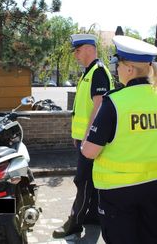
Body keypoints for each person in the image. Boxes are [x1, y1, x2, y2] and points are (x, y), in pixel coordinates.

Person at [81, 35, 157, 244]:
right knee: (150, 237)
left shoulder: (114, 102)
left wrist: (84, 140)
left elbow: (90, 152)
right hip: (156, 184)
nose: (115, 69)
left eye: (117, 64)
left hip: (118, 190)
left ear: (129, 69)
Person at [53, 33, 114, 239]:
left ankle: (74, 223)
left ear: (89, 48)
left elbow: (98, 109)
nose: (76, 55)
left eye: (78, 50)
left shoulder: (98, 72)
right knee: (91, 181)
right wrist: (77, 135)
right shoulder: (88, 72)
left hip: (91, 140)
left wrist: (87, 137)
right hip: (85, 138)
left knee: (83, 182)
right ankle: (93, 216)